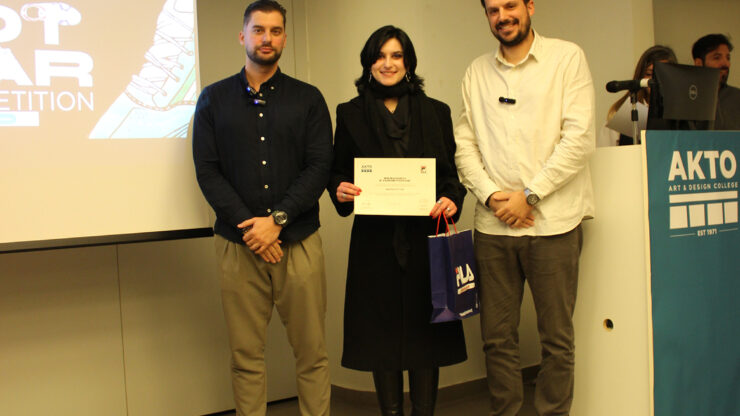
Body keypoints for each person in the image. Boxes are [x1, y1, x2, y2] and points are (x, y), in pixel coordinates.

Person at [455, 1, 595, 415]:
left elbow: (579, 139)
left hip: (554, 225)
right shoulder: (476, 72)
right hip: (493, 228)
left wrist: (528, 195)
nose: (503, 16)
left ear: (530, 6)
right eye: (493, 9)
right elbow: (464, 145)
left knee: (556, 339)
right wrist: (492, 196)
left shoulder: (567, 58)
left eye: (511, 5)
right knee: (497, 339)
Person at [192, 1, 332, 415]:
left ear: (284, 38)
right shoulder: (212, 99)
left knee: (312, 354)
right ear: (242, 36)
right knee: (246, 358)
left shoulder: (308, 99)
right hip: (239, 247)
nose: (266, 38)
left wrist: (278, 221)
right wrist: (253, 229)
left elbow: (319, 167)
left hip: (299, 243)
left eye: (275, 31)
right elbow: (207, 171)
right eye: (258, 30)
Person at [328, 25, 467, 416]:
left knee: (428, 337)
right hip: (374, 244)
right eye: (379, 56)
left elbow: (451, 177)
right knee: (380, 338)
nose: (387, 63)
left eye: (396, 55)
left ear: (409, 63)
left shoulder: (436, 112)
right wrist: (339, 188)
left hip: (426, 241)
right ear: (368, 63)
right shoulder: (349, 113)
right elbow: (337, 172)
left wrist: (451, 199)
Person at [603, 45, 677, 145]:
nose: (655, 81)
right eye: (649, 74)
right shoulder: (622, 113)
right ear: (641, 75)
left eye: (662, 75)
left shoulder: (681, 114)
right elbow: (605, 150)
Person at [692, 34, 740, 130]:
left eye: (728, 58)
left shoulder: (737, 97)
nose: (726, 63)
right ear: (699, 63)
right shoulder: (688, 97)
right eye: (717, 58)